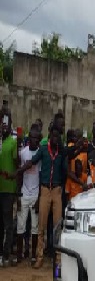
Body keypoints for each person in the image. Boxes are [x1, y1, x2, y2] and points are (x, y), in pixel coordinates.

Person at [19, 127, 67, 269]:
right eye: (53, 137)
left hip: (57, 191)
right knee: (41, 226)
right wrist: (20, 170)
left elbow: (66, 169)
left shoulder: (61, 152)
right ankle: (39, 257)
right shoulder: (44, 150)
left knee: (58, 226)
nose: (55, 139)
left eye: (57, 137)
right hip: (45, 190)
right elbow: (32, 162)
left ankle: (58, 259)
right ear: (49, 137)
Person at [16, 127, 41, 265]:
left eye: (37, 138)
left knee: (35, 227)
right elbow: (19, 176)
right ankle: (19, 255)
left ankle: (33, 255)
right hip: (24, 193)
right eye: (33, 137)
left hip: (36, 194)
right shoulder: (23, 153)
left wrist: (39, 199)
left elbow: (42, 175)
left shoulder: (40, 153)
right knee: (21, 225)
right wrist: (18, 196)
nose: (35, 140)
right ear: (29, 138)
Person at [0, 110, 18, 267]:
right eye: (2, 123)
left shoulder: (13, 142)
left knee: (8, 224)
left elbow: (17, 164)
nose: (4, 126)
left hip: (8, 189)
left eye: (7, 123)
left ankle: (6, 254)